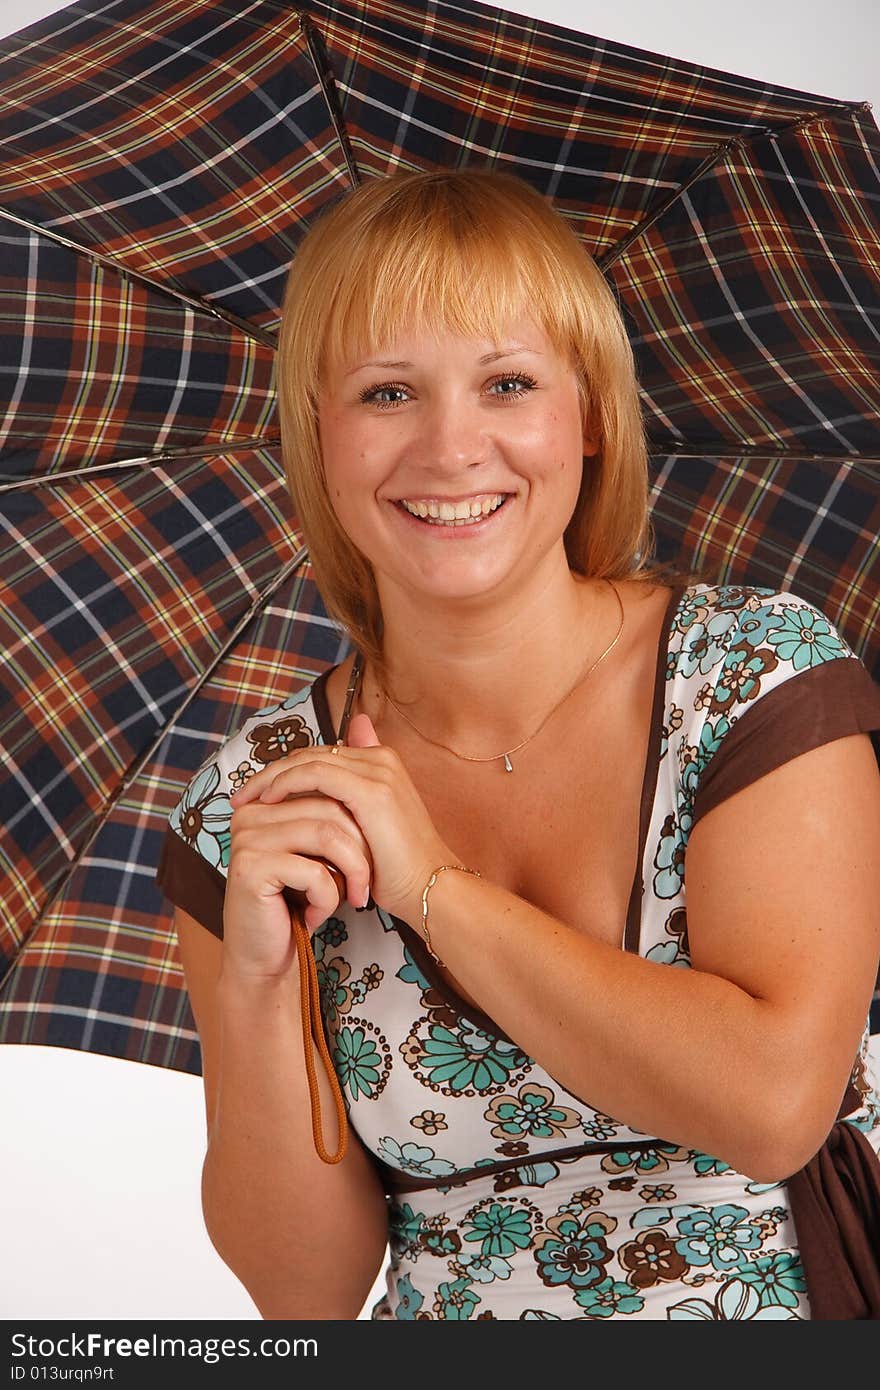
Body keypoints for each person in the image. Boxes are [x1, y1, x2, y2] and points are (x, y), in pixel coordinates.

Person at [156, 167, 880, 1321]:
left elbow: (770, 1103)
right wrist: (254, 987)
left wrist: (430, 883)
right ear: (319, 437)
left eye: (507, 382)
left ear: (586, 415)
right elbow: (306, 1294)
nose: (451, 449)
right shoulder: (252, 801)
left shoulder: (752, 676)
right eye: (387, 392)